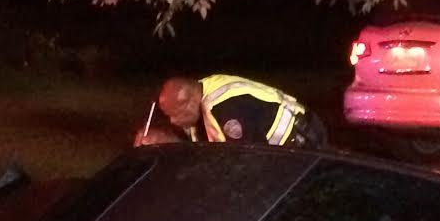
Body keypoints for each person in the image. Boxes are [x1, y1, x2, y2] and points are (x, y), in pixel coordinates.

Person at [137, 75, 327, 148]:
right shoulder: (205, 89)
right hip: (292, 143)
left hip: (302, 143)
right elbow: (205, 151)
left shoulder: (224, 107)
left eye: (175, 114)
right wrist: (168, 142)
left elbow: (244, 158)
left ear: (189, 102)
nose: (172, 121)